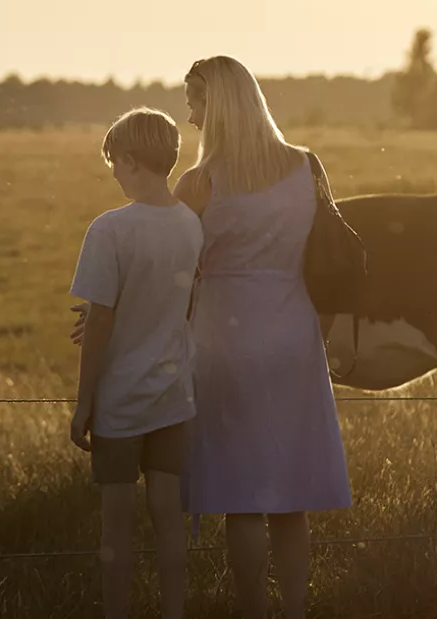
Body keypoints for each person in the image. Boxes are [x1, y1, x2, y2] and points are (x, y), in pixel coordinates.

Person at [72, 56, 353, 619]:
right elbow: (328, 251)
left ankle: (253, 610)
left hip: (225, 339)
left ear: (217, 104)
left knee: (244, 500)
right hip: (295, 336)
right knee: (290, 498)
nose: (191, 115)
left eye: (195, 101)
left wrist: (119, 313)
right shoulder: (307, 165)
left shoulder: (199, 183)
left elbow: (174, 268)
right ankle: (294, 610)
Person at [69, 106, 203, 619]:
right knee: (169, 518)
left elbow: (99, 323)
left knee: (117, 526)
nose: (115, 174)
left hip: (121, 401)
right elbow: (176, 301)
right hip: (174, 396)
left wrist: (85, 403)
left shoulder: (109, 231)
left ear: (129, 160)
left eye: (114, 163)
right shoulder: (190, 225)